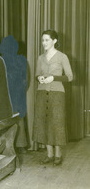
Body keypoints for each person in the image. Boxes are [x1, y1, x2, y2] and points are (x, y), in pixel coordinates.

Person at [33, 29, 73, 166]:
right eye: (43, 40)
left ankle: (58, 155)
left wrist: (53, 78)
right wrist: (40, 78)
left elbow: (69, 77)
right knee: (44, 122)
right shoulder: (40, 58)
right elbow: (37, 75)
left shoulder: (62, 57)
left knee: (56, 123)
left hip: (57, 94)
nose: (44, 43)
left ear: (54, 41)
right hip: (42, 93)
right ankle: (49, 154)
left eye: (47, 40)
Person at [0, 35, 28, 153]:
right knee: (19, 118)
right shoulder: (21, 60)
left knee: (5, 121)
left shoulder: (1, 60)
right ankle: (21, 146)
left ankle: (4, 147)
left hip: (5, 94)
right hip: (19, 94)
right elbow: (26, 80)